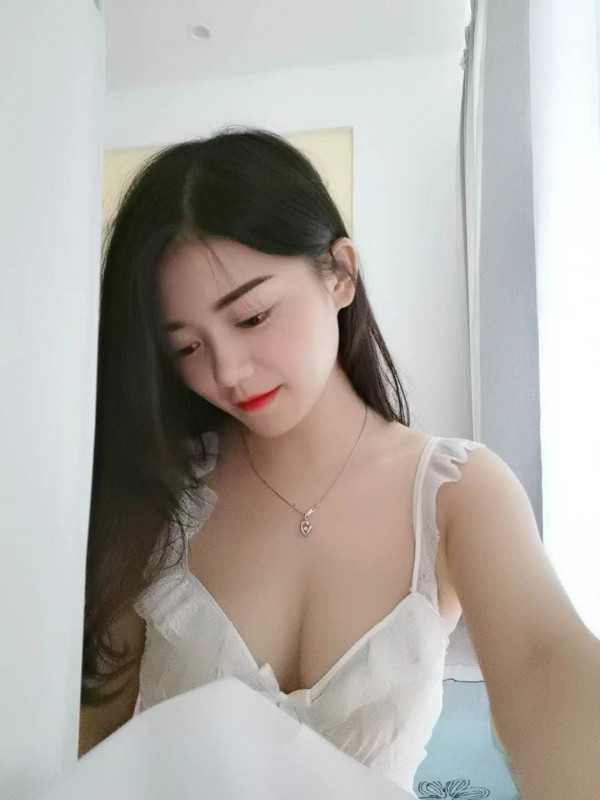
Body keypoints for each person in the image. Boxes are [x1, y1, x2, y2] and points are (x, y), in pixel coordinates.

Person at [79, 126, 600, 798]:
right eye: (185, 347)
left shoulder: (457, 494)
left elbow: (547, 673)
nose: (226, 371)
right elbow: (84, 744)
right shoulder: (155, 499)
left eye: (253, 316)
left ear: (341, 274)